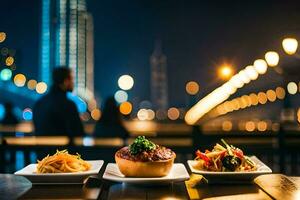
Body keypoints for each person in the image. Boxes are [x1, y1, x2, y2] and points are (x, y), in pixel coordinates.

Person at [33, 67, 84, 137]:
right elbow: (78, 133)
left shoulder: (39, 103)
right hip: (63, 148)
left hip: (42, 147)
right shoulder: (68, 105)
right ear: (66, 81)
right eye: (72, 79)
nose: (73, 83)